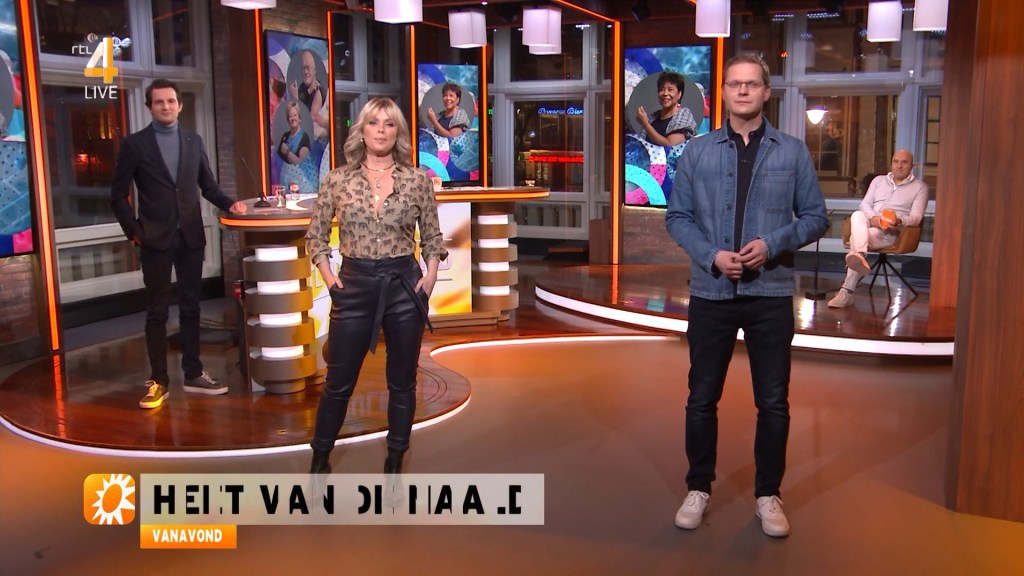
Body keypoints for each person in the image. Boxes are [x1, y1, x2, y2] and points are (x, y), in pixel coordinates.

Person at [665, 55, 829, 537]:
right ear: (723, 92)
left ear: (766, 91)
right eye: (734, 84)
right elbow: (677, 217)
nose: (742, 91)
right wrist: (712, 255)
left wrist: (773, 244)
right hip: (711, 292)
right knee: (701, 398)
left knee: (773, 401)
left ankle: (767, 495)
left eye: (751, 84)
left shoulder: (792, 152)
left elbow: (816, 217)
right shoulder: (696, 152)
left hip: (770, 293)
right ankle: (698, 487)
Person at [305, 97, 447, 475]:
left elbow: (433, 237)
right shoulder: (337, 180)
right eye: (373, 123)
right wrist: (329, 277)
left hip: (404, 286)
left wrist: (430, 275)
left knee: (402, 382)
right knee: (338, 381)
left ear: (398, 132)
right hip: (353, 286)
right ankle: (320, 459)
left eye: (389, 124)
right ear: (362, 130)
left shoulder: (417, 180)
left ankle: (395, 460)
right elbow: (316, 236)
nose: (381, 131)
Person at [111, 78, 247, 409]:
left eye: (171, 101)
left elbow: (207, 186)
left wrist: (230, 204)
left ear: (180, 105)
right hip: (154, 239)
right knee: (157, 311)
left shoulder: (192, 140)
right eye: (159, 102)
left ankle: (194, 373)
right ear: (149, 107)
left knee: (191, 308)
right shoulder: (135, 145)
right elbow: (117, 194)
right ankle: (159, 381)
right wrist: (134, 231)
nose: (166, 106)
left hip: (190, 237)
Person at [827, 150, 928, 308]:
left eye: (904, 162)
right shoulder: (879, 181)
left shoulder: (920, 187)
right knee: (858, 214)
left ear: (912, 166)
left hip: (890, 233)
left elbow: (916, 217)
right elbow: (865, 204)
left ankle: (847, 290)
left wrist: (899, 221)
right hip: (870, 223)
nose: (899, 166)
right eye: (896, 161)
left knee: (857, 238)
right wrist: (874, 217)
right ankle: (859, 255)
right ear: (891, 163)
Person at [636, 71, 697, 147]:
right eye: (661, 89)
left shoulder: (684, 117)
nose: (665, 93)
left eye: (670, 89)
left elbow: (669, 145)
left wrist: (645, 124)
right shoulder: (653, 117)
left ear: (679, 94)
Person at [276, 100, 315, 193]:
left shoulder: (304, 138)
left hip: (302, 185)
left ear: (299, 118)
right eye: (290, 116)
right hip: (285, 183)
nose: (293, 118)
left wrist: (287, 152)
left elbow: (300, 162)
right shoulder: (285, 136)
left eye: (295, 115)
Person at [289, 50, 328, 139]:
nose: (306, 71)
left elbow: (309, 120)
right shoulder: (302, 87)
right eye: (303, 68)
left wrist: (295, 98)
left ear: (314, 70)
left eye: (308, 67)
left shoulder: (318, 92)